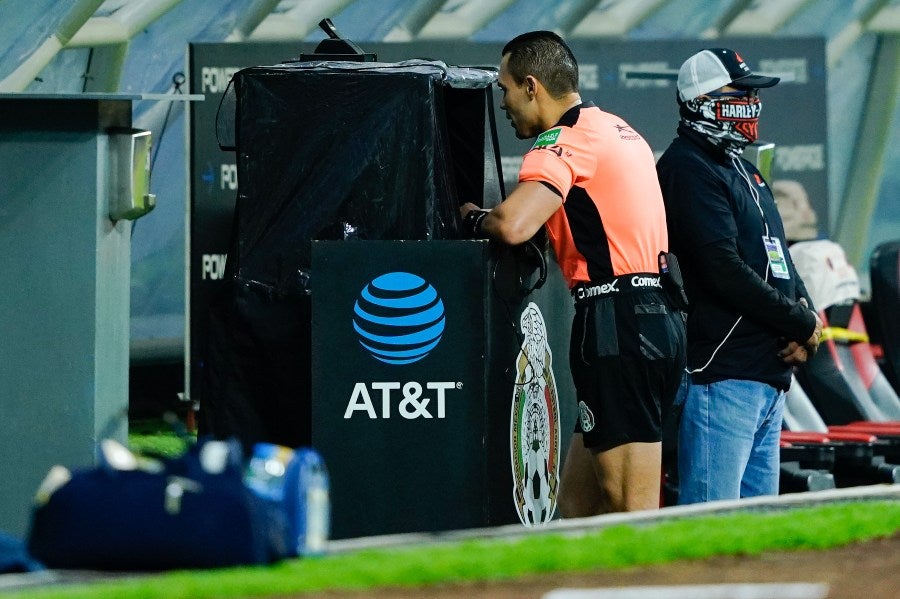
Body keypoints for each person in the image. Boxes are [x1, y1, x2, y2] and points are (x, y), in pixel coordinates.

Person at [460, 31, 685, 514]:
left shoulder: (561, 141)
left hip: (616, 323)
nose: (502, 103)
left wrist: (472, 217)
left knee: (632, 509)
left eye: (504, 88)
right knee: (579, 511)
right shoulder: (619, 129)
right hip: (655, 319)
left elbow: (514, 224)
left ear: (531, 86)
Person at [655, 48, 824, 504]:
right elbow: (721, 269)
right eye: (741, 92)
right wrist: (799, 324)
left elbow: (779, 259)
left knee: (755, 534)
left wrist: (808, 320)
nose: (751, 102)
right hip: (722, 374)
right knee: (714, 523)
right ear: (701, 99)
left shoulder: (743, 168)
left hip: (768, 375)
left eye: (753, 92)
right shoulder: (685, 167)